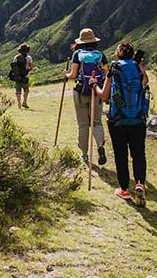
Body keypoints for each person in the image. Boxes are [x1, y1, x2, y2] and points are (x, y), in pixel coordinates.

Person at [92, 41, 149, 205]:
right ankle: (139, 183)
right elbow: (145, 83)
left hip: (118, 120)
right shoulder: (138, 69)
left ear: (119, 54)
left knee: (121, 155)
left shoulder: (114, 69)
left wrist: (94, 85)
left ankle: (124, 189)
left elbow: (104, 96)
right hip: (138, 119)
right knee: (139, 154)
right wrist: (140, 65)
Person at [64, 28, 107, 165]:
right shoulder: (101, 55)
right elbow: (106, 74)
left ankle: (84, 154)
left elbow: (73, 75)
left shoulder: (77, 54)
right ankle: (100, 145)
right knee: (97, 122)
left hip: (80, 91)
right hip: (97, 91)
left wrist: (66, 74)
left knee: (83, 124)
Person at [9, 43, 34, 108]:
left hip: (17, 76)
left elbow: (13, 66)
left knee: (18, 90)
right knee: (26, 90)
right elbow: (31, 66)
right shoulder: (29, 57)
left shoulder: (16, 57)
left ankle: (19, 103)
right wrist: (27, 70)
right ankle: (24, 102)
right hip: (24, 76)